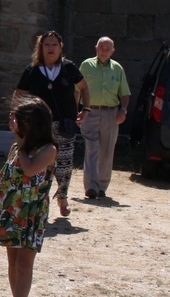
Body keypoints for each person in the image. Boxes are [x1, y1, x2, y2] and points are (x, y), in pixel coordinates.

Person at [0, 95, 57, 297]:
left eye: (19, 119)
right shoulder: (15, 149)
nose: (14, 123)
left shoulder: (49, 149)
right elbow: (5, 176)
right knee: (13, 262)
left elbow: (30, 170)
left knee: (24, 262)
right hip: (12, 209)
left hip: (32, 212)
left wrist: (21, 146)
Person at [15, 31, 90, 217]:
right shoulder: (32, 70)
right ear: (41, 48)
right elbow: (19, 94)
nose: (51, 48)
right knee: (38, 162)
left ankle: (62, 197)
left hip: (64, 124)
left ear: (60, 47)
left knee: (64, 163)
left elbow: (84, 87)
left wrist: (86, 109)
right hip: (38, 125)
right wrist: (15, 116)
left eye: (54, 44)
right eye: (47, 44)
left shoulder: (69, 68)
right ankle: (38, 200)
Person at [79, 37, 130, 199]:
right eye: (101, 47)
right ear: (96, 48)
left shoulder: (117, 69)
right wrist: (76, 111)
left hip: (111, 113)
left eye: (108, 49)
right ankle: (91, 186)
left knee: (107, 150)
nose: (104, 51)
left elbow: (125, 93)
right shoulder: (86, 65)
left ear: (113, 51)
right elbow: (77, 89)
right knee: (91, 148)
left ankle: (102, 185)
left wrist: (123, 110)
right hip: (90, 111)